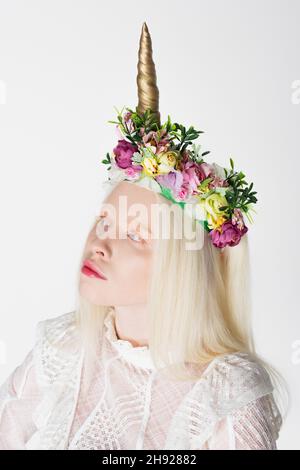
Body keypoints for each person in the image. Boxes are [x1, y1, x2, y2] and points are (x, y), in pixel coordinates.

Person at [0, 22, 288, 450]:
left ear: (181, 268)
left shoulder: (228, 393)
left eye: (134, 235)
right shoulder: (64, 348)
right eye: (105, 223)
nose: (99, 244)